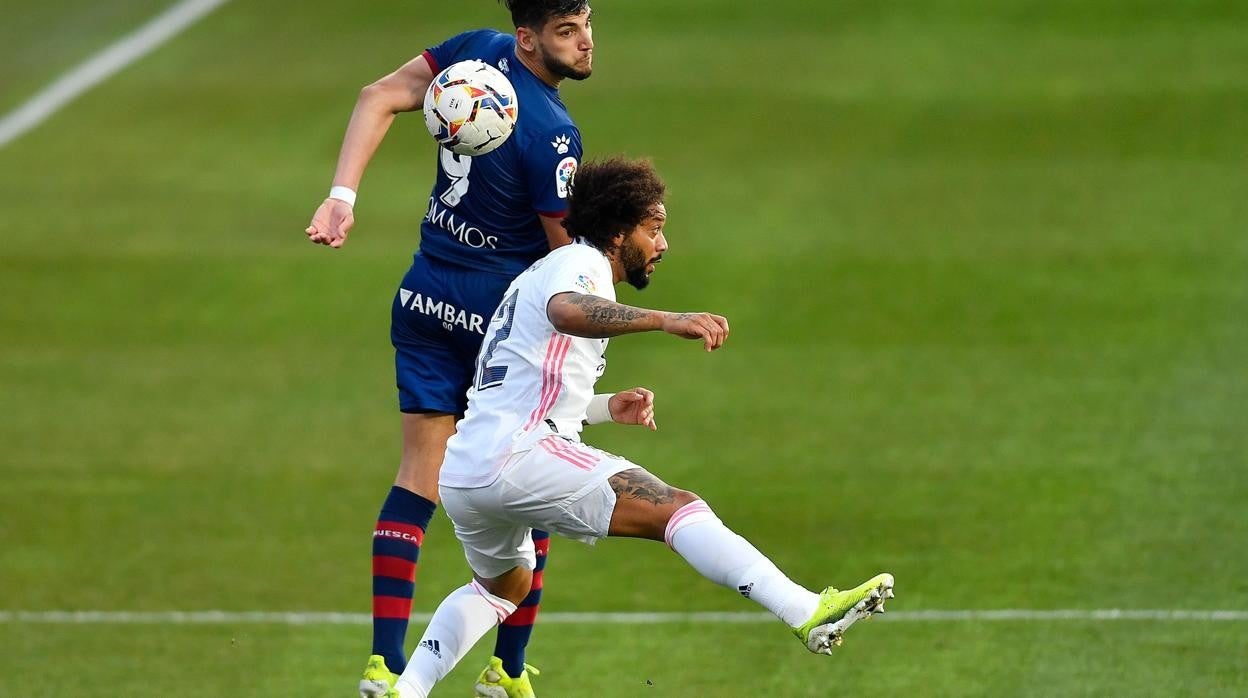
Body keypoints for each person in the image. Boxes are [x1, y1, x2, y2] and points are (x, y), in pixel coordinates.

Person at [392, 157, 896, 697]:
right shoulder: (577, 263)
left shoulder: (539, 274)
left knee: (504, 586)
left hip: (469, 471)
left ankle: (408, 689)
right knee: (677, 509)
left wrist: (608, 408)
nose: (663, 244)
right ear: (616, 232)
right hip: (518, 455)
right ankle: (806, 609)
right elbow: (566, 311)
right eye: (653, 229)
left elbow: (522, 386)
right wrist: (665, 320)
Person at [303, 2, 596, 696]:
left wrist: (341, 197)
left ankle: (382, 661)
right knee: (536, 476)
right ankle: (508, 670)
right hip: (499, 318)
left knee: (417, 473)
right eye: (567, 32)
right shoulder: (554, 133)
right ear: (528, 38)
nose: (585, 43)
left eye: (587, 26)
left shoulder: (474, 52)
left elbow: (379, 95)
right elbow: (564, 258)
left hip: (425, 294)